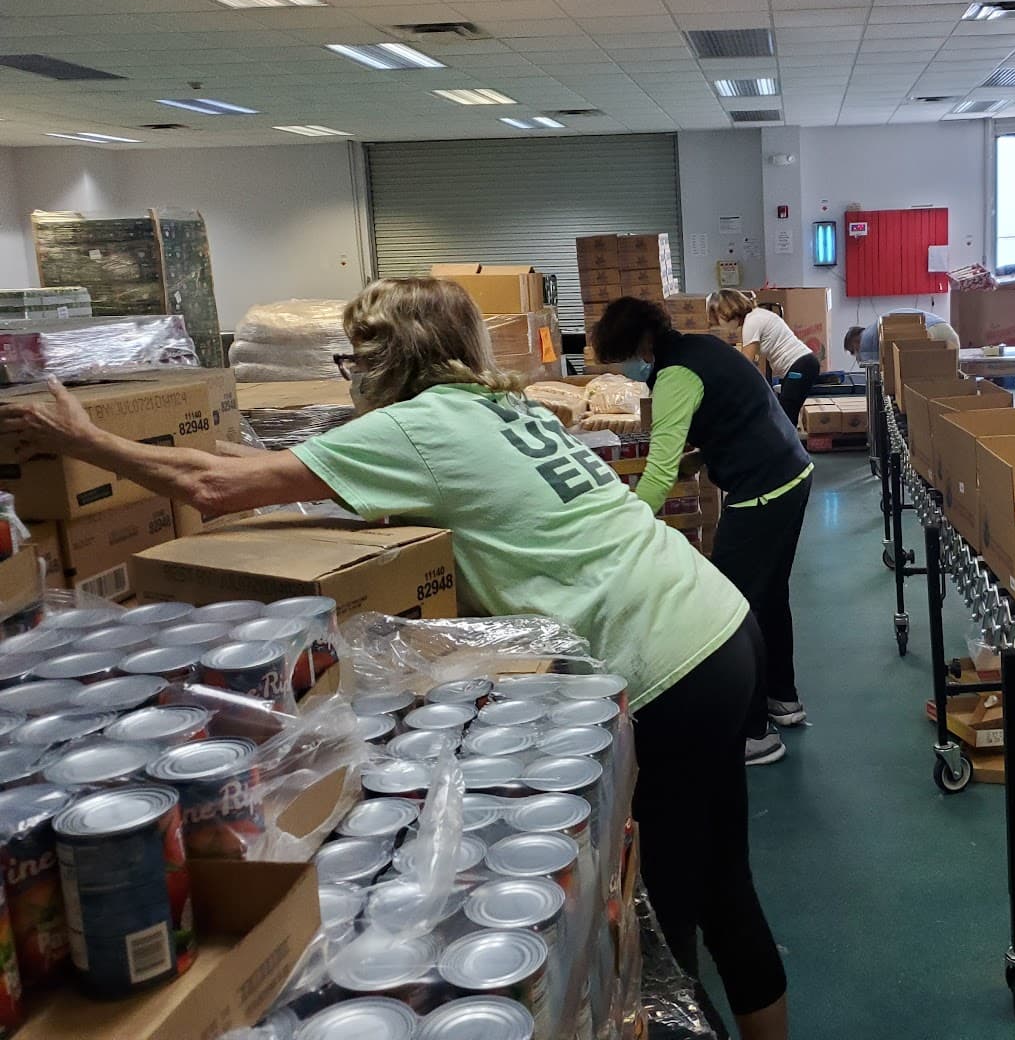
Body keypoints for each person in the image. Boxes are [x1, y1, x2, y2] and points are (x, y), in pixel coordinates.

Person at [0, 278, 788, 1040]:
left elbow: (212, 488)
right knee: (725, 886)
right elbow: (273, 472)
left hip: (661, 663)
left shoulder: (415, 428)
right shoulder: (500, 405)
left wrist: (84, 441)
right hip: (715, 622)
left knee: (657, 933)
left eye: (357, 357)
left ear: (386, 359)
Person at [591, 296, 812, 768]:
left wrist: (620, 529)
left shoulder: (674, 375)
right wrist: (698, 460)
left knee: (733, 610)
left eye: (623, 359)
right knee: (769, 594)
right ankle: (783, 699)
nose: (626, 370)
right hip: (791, 473)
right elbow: (735, 415)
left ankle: (753, 733)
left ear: (642, 345)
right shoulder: (704, 348)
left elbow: (658, 470)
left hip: (761, 488)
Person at [707, 289, 820, 428]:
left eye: (718, 318)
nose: (720, 325)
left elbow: (745, 363)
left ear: (727, 311)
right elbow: (751, 359)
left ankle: (787, 442)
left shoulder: (752, 322)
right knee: (784, 415)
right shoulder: (757, 316)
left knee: (786, 417)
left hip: (800, 367)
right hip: (800, 365)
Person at [843, 309, 960, 365]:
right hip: (946, 332)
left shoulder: (867, 337)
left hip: (932, 333)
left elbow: (868, 360)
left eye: (854, 350)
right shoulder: (877, 330)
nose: (857, 353)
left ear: (855, 340)